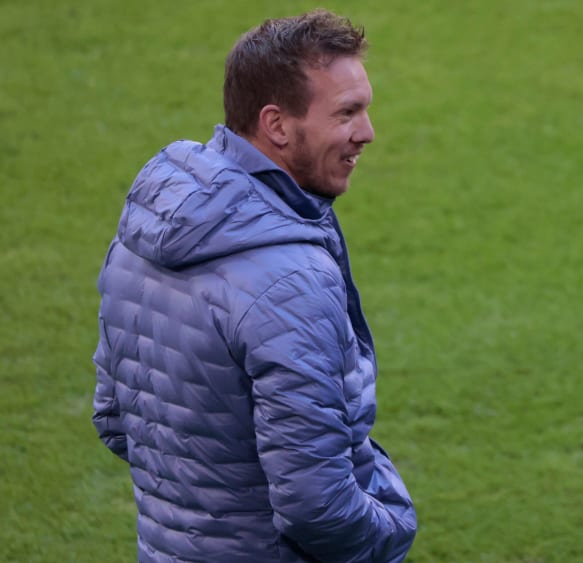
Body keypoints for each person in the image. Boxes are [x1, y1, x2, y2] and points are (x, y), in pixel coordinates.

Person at [91, 10, 416, 562]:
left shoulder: (144, 229)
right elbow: (317, 503)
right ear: (278, 125)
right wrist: (392, 528)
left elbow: (114, 417)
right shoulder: (290, 280)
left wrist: (208, 499)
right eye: (346, 113)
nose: (367, 132)